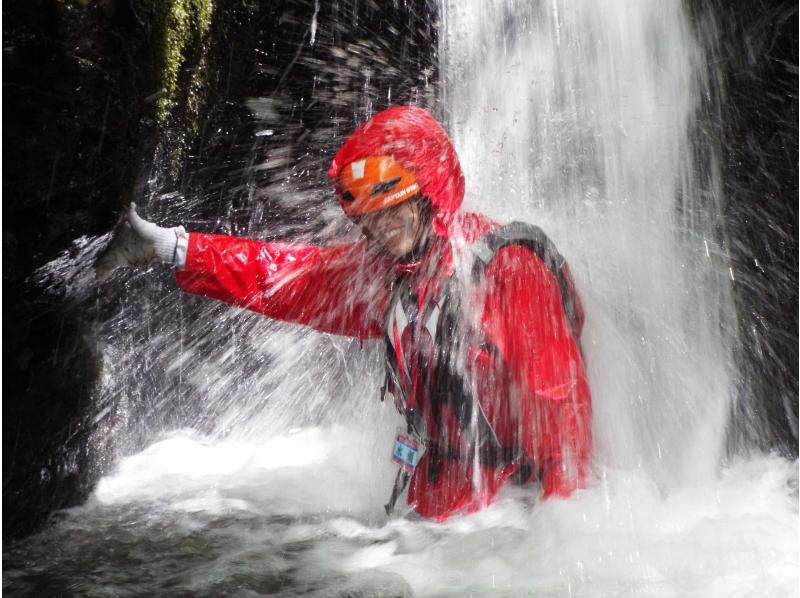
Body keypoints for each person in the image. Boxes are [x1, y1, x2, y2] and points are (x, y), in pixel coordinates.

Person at [97, 105, 592, 520]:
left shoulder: (509, 269)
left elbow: (559, 409)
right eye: (367, 215)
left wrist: (559, 542)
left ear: (427, 194)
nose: (380, 225)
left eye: (393, 204)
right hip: (441, 512)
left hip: (512, 511)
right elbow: (285, 279)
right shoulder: (387, 275)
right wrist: (169, 247)